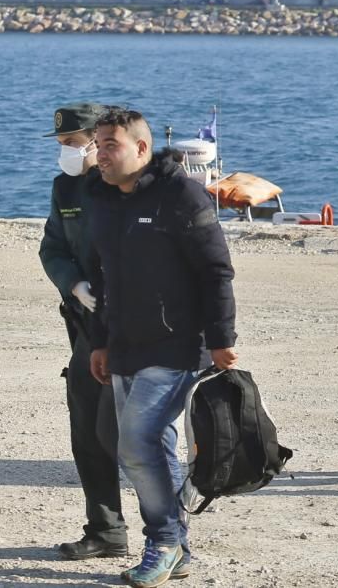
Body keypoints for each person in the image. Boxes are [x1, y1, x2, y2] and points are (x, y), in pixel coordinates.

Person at [87, 107, 238, 588]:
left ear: (141, 148)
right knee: (155, 446)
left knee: (135, 443)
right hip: (126, 344)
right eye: (97, 144)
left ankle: (164, 540)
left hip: (177, 345)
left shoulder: (180, 194)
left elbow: (216, 270)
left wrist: (221, 339)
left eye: (110, 144)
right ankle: (180, 548)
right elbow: (102, 278)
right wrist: (100, 342)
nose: (99, 153)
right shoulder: (106, 197)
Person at [37, 102, 127, 560]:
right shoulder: (64, 187)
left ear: (100, 140)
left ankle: (170, 535)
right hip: (86, 327)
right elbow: (52, 246)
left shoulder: (132, 185)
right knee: (88, 429)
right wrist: (73, 283)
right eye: (61, 146)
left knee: (142, 433)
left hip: (137, 324)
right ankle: (106, 528)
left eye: (73, 144)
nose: (67, 153)